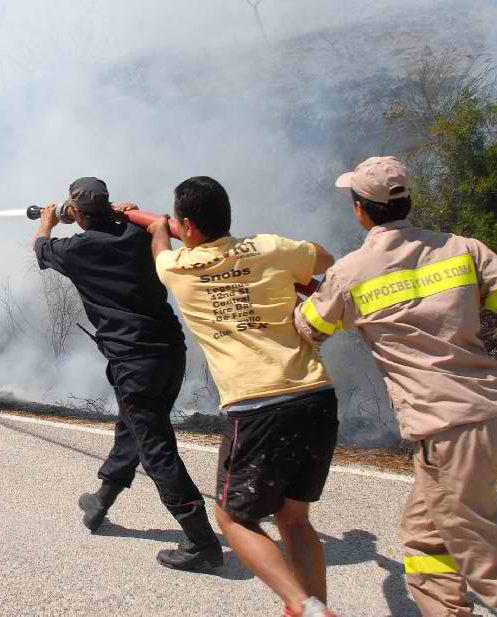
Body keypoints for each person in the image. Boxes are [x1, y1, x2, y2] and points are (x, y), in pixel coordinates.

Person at [294, 156, 497, 617]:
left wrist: (295, 286)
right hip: (490, 412)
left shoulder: (353, 272)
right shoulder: (463, 249)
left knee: (492, 570)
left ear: (360, 209)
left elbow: (309, 329)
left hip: (448, 426)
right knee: (424, 539)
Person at [149, 176, 340, 617]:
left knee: (233, 519)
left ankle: (302, 606)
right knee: (295, 521)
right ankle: (315, 609)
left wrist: (160, 229)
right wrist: (286, 255)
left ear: (188, 226)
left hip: (257, 406)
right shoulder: (271, 246)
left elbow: (160, 250)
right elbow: (325, 259)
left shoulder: (177, 269)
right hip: (316, 395)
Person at [33, 176, 222, 571]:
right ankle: (101, 500)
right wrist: (123, 215)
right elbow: (145, 229)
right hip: (170, 353)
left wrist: (48, 220)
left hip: (134, 361)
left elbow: (41, 249)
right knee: (134, 426)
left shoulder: (78, 249)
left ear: (78, 214)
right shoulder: (138, 235)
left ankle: (201, 541)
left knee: (156, 449)